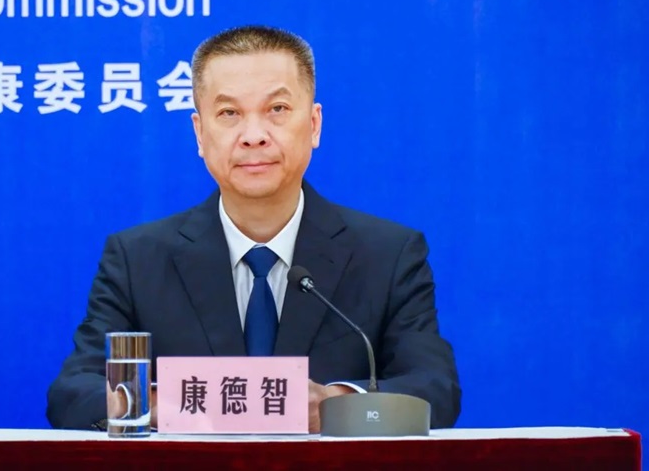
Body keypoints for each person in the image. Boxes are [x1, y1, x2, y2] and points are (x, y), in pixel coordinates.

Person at [46, 25, 461, 433]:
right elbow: (73, 395)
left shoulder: (388, 254)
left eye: (277, 109)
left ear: (314, 124)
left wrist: (335, 405)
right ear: (199, 133)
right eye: (229, 113)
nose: (254, 136)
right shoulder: (137, 259)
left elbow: (434, 390)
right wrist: (172, 404)